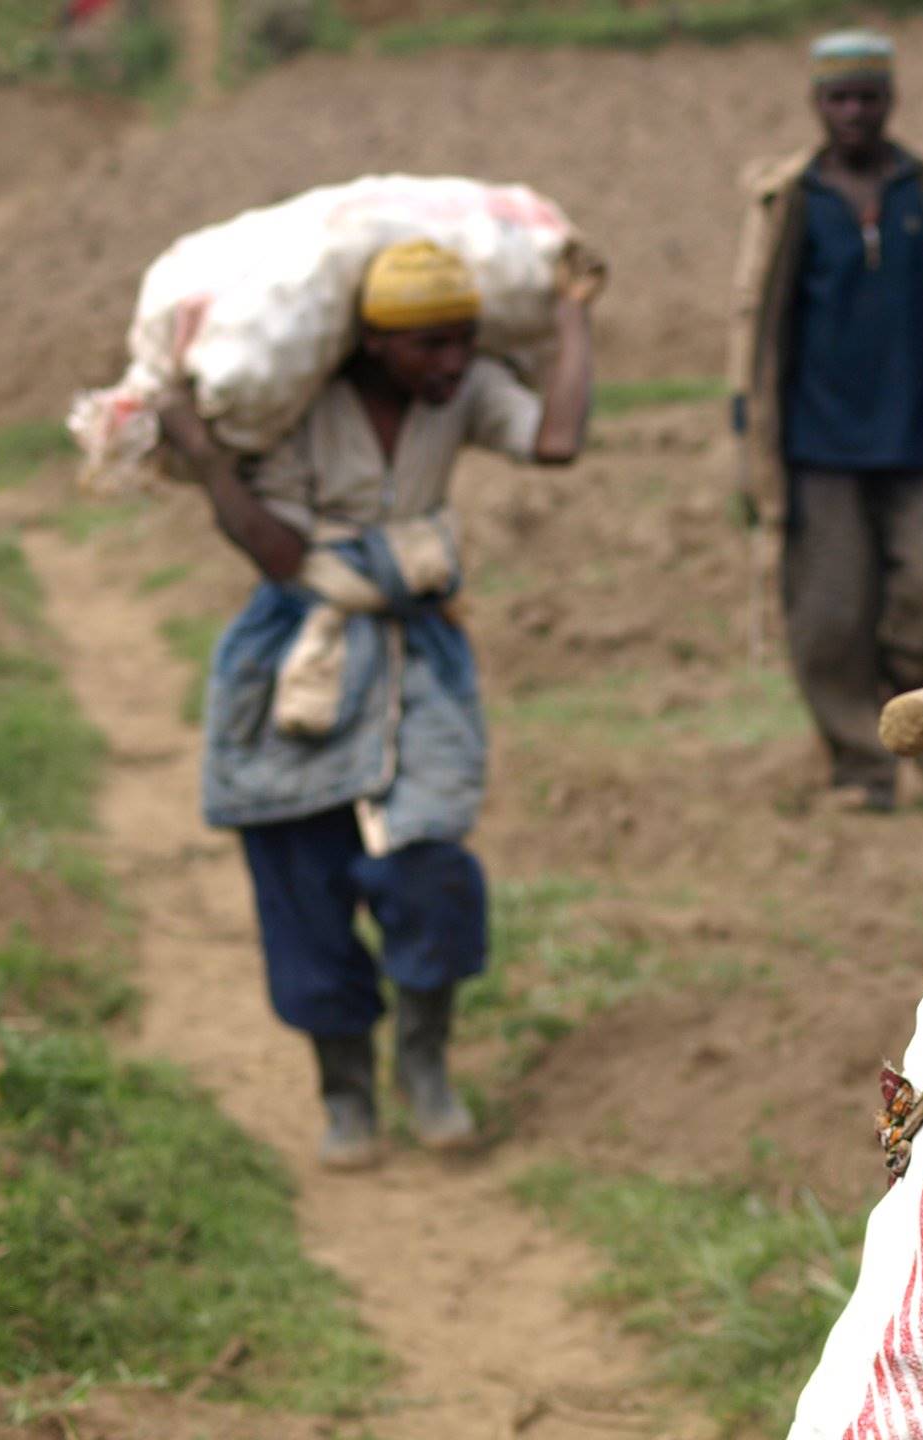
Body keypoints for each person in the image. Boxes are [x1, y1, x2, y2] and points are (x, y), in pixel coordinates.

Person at [159, 239, 601, 1170]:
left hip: (416, 652)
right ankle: (345, 1091)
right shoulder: (298, 404)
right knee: (301, 878)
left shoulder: (465, 391)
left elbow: (556, 441)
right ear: (367, 343)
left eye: (463, 342)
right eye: (427, 346)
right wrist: (205, 462)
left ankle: (425, 1064)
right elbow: (279, 556)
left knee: (430, 868)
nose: (450, 364)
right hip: (300, 651)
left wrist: (572, 313)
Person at [727, 29, 923, 812]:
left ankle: (904, 699)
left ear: (890, 101)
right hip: (816, 443)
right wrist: (745, 434)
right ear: (817, 105)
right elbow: (748, 321)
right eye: (839, 98)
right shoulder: (788, 199)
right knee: (828, 616)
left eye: (868, 97)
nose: (854, 112)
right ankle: (863, 771)